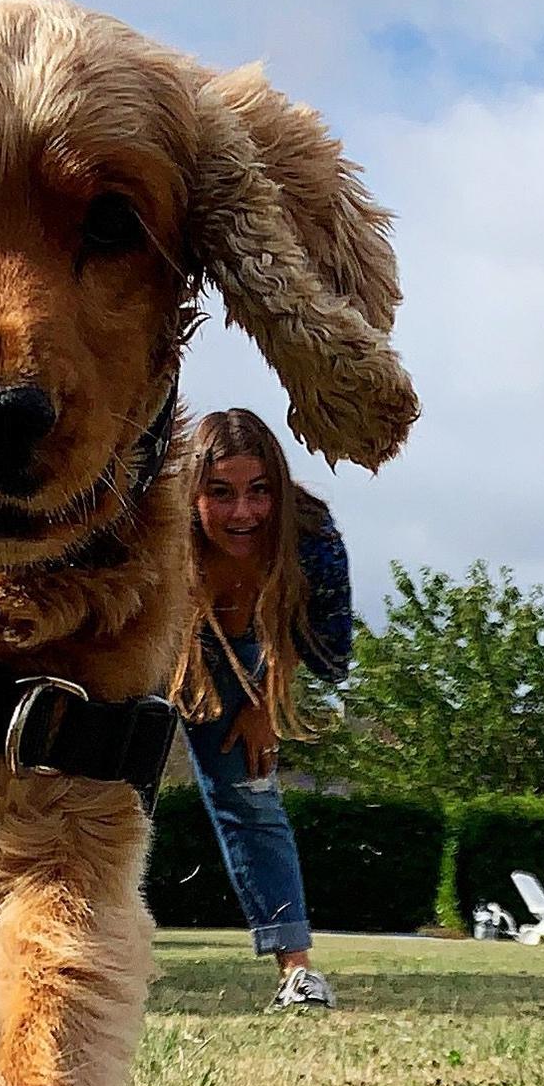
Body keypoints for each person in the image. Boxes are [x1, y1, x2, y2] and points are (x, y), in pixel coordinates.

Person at [169, 407, 355, 1007]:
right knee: (113, 790)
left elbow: (308, 637)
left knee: (251, 797)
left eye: (258, 492)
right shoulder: (159, 527)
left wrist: (261, 706)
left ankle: (296, 971)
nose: (242, 513)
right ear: (193, 492)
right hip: (158, 640)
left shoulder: (312, 537)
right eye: (220, 494)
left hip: (248, 657)